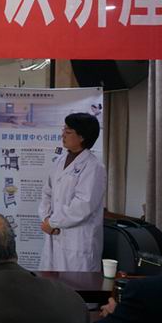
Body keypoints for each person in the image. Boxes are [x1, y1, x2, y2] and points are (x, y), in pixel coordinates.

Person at [38, 112, 106, 271]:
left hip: (77, 240)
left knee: (75, 283)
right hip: (53, 232)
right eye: (63, 129)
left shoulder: (94, 167)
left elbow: (83, 205)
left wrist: (53, 223)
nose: (63, 134)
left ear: (82, 137)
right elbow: (47, 193)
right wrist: (46, 218)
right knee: (50, 281)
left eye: (68, 131)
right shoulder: (60, 161)